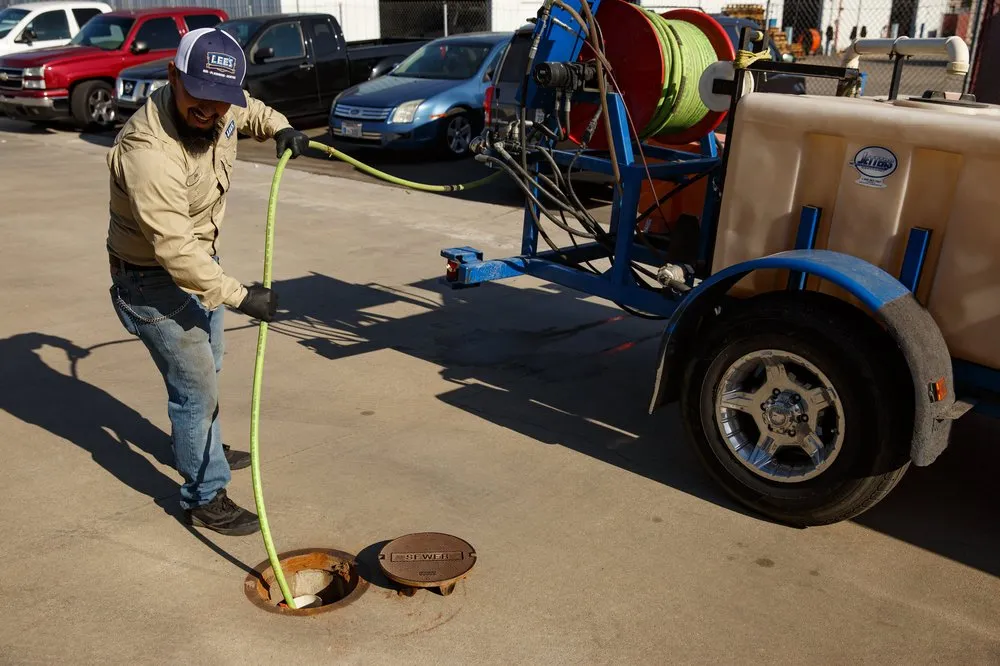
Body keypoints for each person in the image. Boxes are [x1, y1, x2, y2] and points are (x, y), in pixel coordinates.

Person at [105, 27, 310, 536]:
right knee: (195, 390)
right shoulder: (148, 151)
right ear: (173, 75)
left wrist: (281, 127)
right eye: (198, 97)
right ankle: (204, 495)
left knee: (208, 371)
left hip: (199, 263)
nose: (211, 112)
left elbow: (251, 111)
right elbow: (173, 250)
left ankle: (202, 446)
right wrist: (242, 296)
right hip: (153, 279)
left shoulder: (220, 103)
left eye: (221, 101)